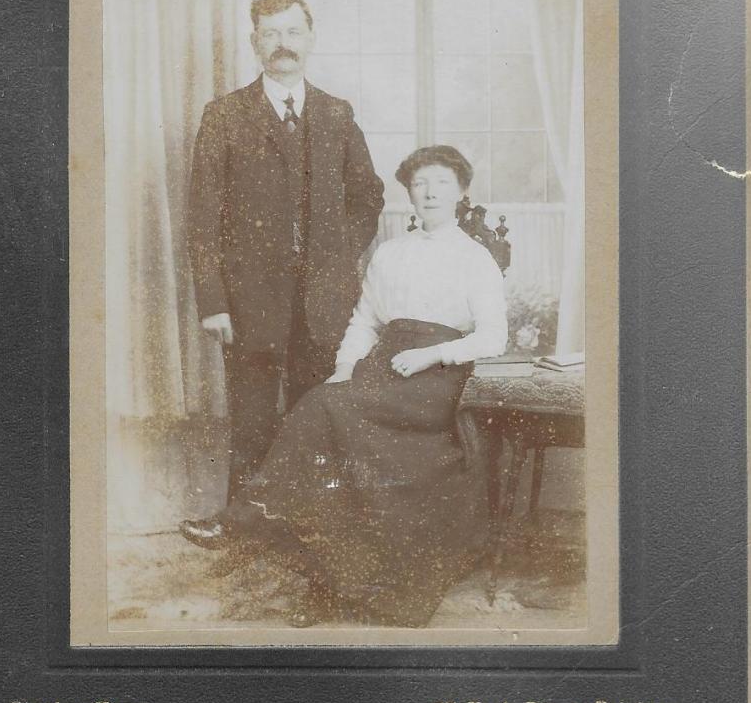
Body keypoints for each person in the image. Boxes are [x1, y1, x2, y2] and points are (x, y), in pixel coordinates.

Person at [183, 145, 508, 628]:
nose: (430, 192)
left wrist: (432, 354)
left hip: (434, 380)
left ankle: (244, 520)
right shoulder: (391, 254)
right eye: (420, 183)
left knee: (325, 412)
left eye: (442, 183)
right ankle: (326, 583)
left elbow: (494, 337)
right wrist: (344, 367)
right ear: (409, 193)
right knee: (327, 410)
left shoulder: (475, 258)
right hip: (383, 369)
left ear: (461, 192)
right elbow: (364, 321)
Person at [187, 0, 384, 500]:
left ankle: (309, 526)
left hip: (324, 301)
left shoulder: (336, 114)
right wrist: (213, 302)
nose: (283, 43)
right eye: (271, 33)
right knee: (251, 420)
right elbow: (202, 219)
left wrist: (336, 256)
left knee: (315, 418)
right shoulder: (224, 116)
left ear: (311, 38)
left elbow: (368, 196)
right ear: (254, 42)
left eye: (293, 31)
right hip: (249, 302)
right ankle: (245, 524)